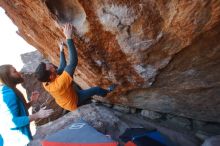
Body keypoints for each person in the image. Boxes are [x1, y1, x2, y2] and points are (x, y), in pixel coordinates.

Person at [35, 23, 116, 111]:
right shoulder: (58, 85)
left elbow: (62, 67)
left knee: (73, 85)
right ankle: (107, 92)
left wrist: (61, 50)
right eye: (49, 67)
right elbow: (73, 62)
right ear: (50, 76)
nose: (51, 65)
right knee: (96, 89)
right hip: (73, 101)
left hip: (68, 95)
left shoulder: (46, 80)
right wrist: (68, 38)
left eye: (48, 64)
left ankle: (88, 99)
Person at [0, 65, 54, 146]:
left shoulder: (10, 89)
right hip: (15, 141)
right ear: (8, 77)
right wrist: (37, 115)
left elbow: (19, 111)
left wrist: (32, 102)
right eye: (14, 71)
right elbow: (13, 122)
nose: (18, 72)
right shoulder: (9, 95)